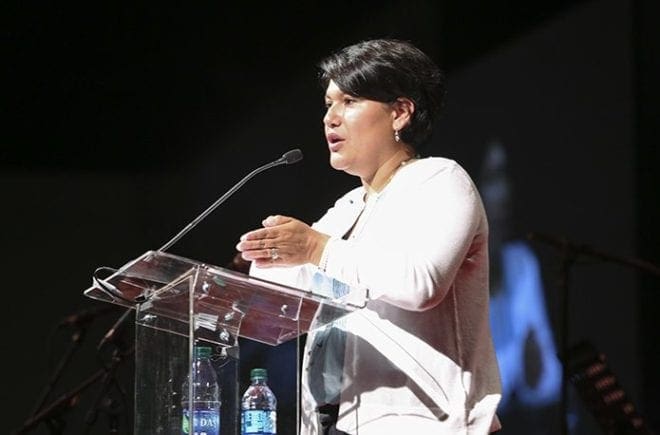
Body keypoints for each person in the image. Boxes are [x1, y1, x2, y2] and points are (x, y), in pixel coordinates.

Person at [236, 38, 502, 434]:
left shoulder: (439, 180)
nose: (330, 118)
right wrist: (264, 266)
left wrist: (313, 247)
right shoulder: (345, 209)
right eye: (328, 103)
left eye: (349, 101)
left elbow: (422, 284)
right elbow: (285, 307)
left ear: (400, 112)